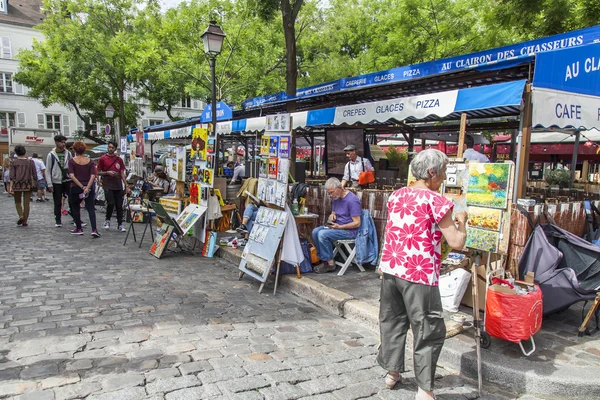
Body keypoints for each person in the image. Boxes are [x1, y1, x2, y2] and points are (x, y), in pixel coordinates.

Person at [377, 149, 467, 399]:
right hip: (419, 273)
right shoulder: (437, 201)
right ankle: (425, 389)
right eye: (443, 173)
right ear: (432, 173)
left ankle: (392, 373)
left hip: (392, 269)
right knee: (427, 329)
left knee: (392, 322)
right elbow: (457, 242)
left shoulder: (396, 195)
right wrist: (462, 221)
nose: (444, 177)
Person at [311, 177, 362, 274]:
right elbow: (333, 212)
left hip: (349, 231)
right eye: (329, 193)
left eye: (331, 192)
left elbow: (357, 223)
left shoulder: (352, 200)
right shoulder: (336, 197)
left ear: (339, 188)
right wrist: (332, 215)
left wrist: (340, 227)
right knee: (315, 232)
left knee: (322, 234)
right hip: (336, 226)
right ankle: (324, 260)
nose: (330, 195)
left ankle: (330, 264)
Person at [68, 141, 100, 237]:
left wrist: (81, 186)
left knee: (75, 207)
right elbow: (93, 176)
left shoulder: (72, 161)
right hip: (89, 187)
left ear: (74, 150)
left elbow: (71, 176)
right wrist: (87, 187)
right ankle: (94, 229)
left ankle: (79, 228)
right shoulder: (90, 161)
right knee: (90, 208)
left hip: (75, 187)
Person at [97, 141, 129, 232]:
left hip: (117, 184)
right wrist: (107, 172)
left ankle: (120, 224)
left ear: (115, 149)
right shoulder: (102, 158)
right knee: (110, 203)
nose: (110, 149)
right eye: (109, 147)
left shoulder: (119, 159)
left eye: (112, 147)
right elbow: (98, 171)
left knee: (119, 205)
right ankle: (107, 220)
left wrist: (126, 185)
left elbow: (122, 173)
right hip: (107, 183)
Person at [45, 135, 73, 227]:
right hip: (56, 181)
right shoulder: (51, 155)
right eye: (62, 142)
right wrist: (49, 184)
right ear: (56, 142)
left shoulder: (68, 154)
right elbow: (48, 170)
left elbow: (72, 166)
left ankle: (75, 217)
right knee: (57, 201)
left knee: (72, 199)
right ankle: (58, 219)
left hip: (67, 179)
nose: (63, 144)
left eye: (64, 142)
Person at [9, 145, 38, 227]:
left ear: (16, 153)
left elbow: (12, 176)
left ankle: (21, 215)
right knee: (26, 203)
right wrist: (36, 182)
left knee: (17, 201)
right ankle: (25, 221)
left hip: (17, 184)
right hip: (28, 184)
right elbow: (35, 175)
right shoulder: (30, 162)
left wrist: (10, 187)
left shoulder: (13, 162)